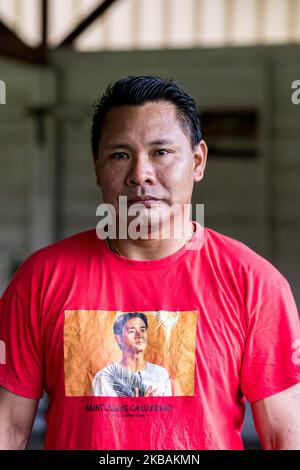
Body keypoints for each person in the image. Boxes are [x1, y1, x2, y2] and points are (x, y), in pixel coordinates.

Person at [0, 75, 300, 450]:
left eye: (161, 152)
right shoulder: (41, 279)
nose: (140, 174)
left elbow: (284, 436)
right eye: (120, 154)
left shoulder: (254, 284)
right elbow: (8, 426)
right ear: (97, 167)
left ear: (197, 161)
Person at [91, 312, 172, 397]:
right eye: (132, 331)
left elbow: (170, 410)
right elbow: (100, 410)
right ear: (119, 338)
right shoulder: (104, 378)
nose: (139, 335)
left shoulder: (161, 375)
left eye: (143, 330)